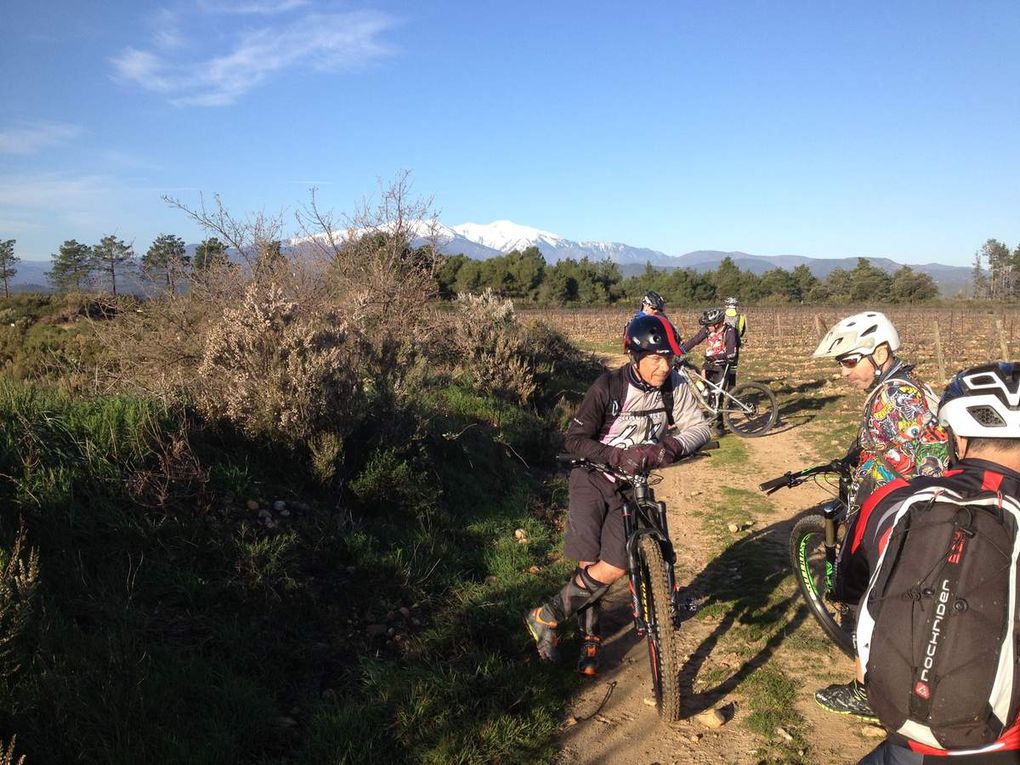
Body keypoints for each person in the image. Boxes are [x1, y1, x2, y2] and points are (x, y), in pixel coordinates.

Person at [524, 314, 713, 675]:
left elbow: (700, 427)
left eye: (669, 357)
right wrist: (615, 455)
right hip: (592, 477)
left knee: (611, 566)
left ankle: (544, 615)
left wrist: (669, 447)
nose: (664, 366)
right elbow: (575, 440)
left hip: (632, 485)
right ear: (635, 356)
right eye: (656, 358)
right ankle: (590, 641)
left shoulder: (673, 386)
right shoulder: (607, 387)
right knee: (587, 560)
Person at [854, 361, 1020, 764]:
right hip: (1000, 742)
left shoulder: (894, 499)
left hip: (905, 732)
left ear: (957, 438)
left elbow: (856, 584)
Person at [810, 311, 949, 719]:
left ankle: (864, 692)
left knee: (872, 593)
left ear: (881, 352)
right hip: (915, 510)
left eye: (851, 361)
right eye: (842, 364)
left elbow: (926, 460)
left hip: (906, 516)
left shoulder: (895, 396)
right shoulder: (906, 386)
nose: (844, 373)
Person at [681, 308, 738, 433]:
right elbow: (695, 340)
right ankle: (713, 418)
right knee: (703, 391)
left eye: (709, 325)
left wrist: (717, 357)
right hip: (708, 366)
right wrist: (679, 351)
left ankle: (719, 426)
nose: (707, 327)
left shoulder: (730, 332)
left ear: (717, 323)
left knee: (717, 396)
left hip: (722, 367)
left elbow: (731, 354)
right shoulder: (707, 330)